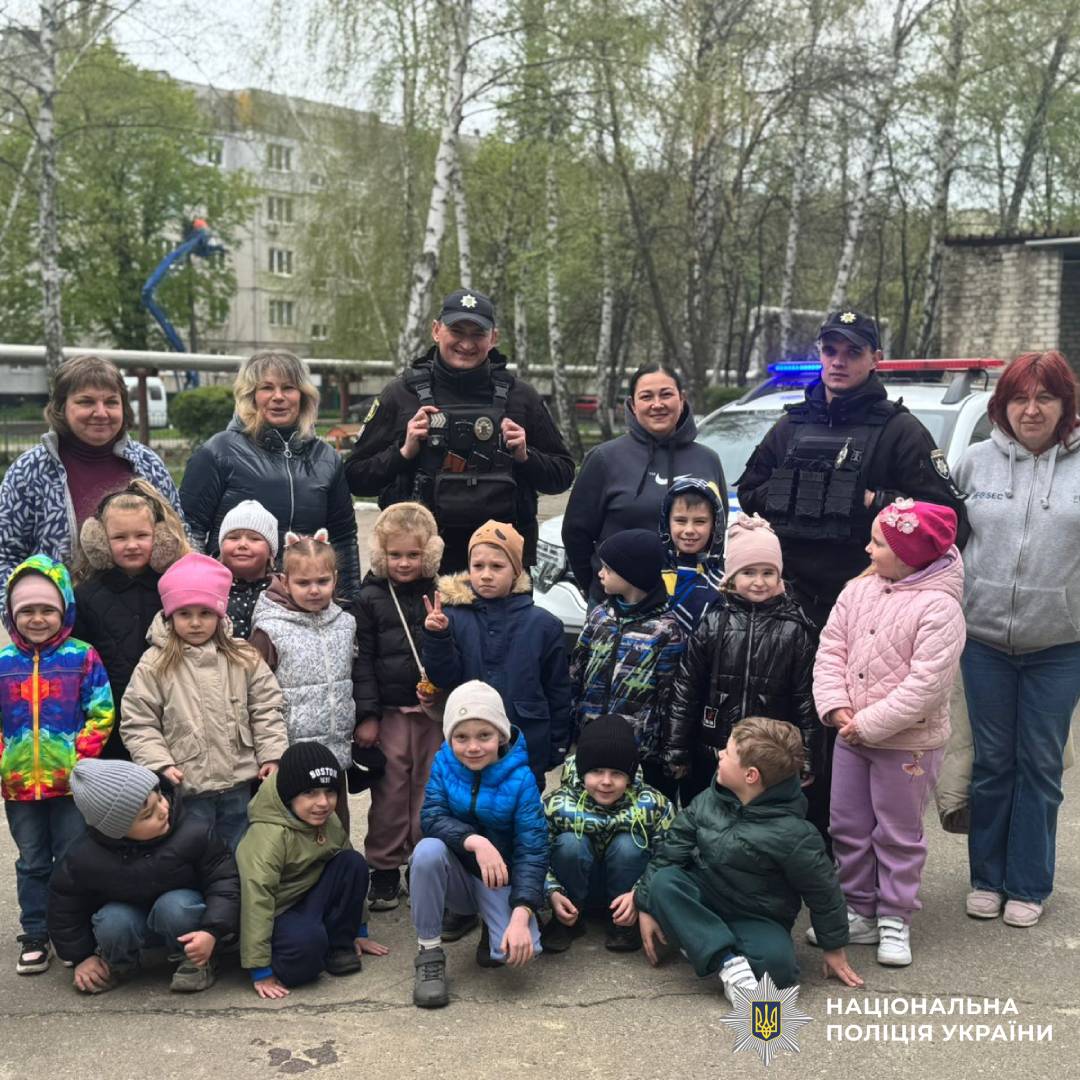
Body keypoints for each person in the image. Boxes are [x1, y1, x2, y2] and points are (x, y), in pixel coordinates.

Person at [735, 309, 968, 839]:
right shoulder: (791, 423)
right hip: (784, 603)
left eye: (853, 351)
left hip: (864, 609)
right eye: (830, 350)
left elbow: (951, 522)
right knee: (782, 731)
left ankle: (844, 865)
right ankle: (777, 845)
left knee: (843, 739)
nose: (839, 362)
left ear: (874, 358)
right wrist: (802, 490)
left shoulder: (901, 431)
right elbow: (749, 489)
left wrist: (870, 501)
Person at [953, 351, 1080, 928]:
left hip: (1059, 645)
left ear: (1064, 405)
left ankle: (1029, 884)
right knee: (994, 763)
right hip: (983, 643)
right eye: (1019, 399)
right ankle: (988, 878)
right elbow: (947, 544)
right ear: (1001, 406)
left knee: (1040, 766)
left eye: (1044, 397)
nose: (1032, 410)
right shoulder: (975, 462)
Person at [812, 500, 964, 966]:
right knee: (848, 826)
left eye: (878, 542)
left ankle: (896, 916)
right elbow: (831, 647)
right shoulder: (859, 590)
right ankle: (858, 909)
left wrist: (869, 724)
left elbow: (926, 684)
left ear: (909, 552)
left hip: (906, 743)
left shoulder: (940, 609)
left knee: (898, 832)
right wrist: (835, 706)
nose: (867, 548)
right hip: (851, 734)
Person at [633, 717, 863, 1005]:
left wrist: (833, 947)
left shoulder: (795, 834)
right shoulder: (708, 800)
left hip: (756, 916)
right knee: (664, 883)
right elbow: (670, 851)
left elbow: (824, 892)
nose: (719, 755)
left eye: (727, 752)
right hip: (703, 897)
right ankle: (727, 962)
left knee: (780, 973)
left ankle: (701, 943)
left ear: (751, 775)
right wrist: (646, 905)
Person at [345, 289, 574, 572]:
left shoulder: (521, 397)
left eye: (477, 334)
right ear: (436, 330)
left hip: (501, 571)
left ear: (494, 338)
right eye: (457, 331)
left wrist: (526, 456)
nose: (466, 343)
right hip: (418, 569)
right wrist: (403, 452)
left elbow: (562, 475)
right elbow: (355, 478)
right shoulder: (401, 394)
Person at [120, 553, 288, 851]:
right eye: (185, 614)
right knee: (195, 853)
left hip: (238, 780)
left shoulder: (243, 656)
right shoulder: (154, 664)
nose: (195, 623)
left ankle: (237, 898)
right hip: (188, 784)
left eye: (205, 613)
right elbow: (139, 722)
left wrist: (272, 753)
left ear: (220, 614)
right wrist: (160, 763)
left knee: (238, 851)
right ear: (171, 615)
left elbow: (266, 708)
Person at [0, 555, 115, 975]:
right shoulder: (4, 663)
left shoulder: (81, 657)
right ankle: (34, 932)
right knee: (31, 860)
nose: (37, 618)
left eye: (47, 609)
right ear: (12, 614)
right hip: (19, 787)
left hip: (69, 783)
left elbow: (101, 711)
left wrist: (81, 757)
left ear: (64, 610)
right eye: (26, 610)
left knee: (72, 857)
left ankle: (75, 929)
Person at [0, 354, 185, 605]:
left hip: (144, 622)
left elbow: (180, 537)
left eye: (111, 402)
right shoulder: (29, 471)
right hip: (56, 629)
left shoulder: (147, 465)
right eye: (86, 402)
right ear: (61, 407)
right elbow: (5, 555)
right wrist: (20, 617)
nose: (100, 412)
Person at [410, 681, 548, 1010]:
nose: (472, 747)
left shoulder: (522, 778)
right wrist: (474, 841)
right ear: (449, 738)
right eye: (461, 737)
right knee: (427, 851)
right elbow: (431, 816)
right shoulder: (444, 764)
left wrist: (522, 913)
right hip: (459, 870)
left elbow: (533, 849)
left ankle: (494, 924)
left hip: (500, 878)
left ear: (500, 736)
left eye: (483, 736)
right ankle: (429, 953)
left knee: (513, 953)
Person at [180, 350, 361, 599]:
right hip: (233, 599)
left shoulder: (326, 458)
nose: (278, 397)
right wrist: (199, 594)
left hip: (307, 602)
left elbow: (343, 538)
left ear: (303, 395)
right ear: (251, 396)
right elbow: (190, 529)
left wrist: (350, 604)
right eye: (267, 388)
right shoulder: (219, 451)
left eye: (288, 388)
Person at [49, 758, 240, 994]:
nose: (163, 811)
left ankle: (195, 960)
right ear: (115, 830)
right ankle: (120, 962)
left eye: (160, 798)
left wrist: (212, 931)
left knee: (175, 905)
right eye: (147, 815)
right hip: (129, 920)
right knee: (112, 920)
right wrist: (81, 957)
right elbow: (64, 907)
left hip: (182, 921)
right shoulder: (84, 856)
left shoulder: (193, 830)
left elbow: (224, 879)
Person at [666, 514, 820, 803]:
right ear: (732, 576)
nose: (759, 582)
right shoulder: (713, 623)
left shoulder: (795, 629)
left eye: (768, 572)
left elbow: (805, 701)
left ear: (779, 575)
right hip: (713, 752)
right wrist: (677, 747)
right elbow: (687, 690)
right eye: (749, 572)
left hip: (770, 757)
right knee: (706, 816)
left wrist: (807, 756)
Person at [422, 520, 570, 790]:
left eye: (497, 567)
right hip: (469, 745)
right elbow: (443, 676)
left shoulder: (544, 625)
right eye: (478, 566)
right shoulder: (452, 617)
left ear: (516, 570)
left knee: (521, 819)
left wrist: (559, 743)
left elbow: (558, 689)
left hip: (524, 743)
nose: (486, 575)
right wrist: (437, 637)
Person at [236, 741, 388, 999]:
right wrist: (260, 969)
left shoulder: (327, 819)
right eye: (311, 793)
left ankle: (340, 944)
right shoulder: (268, 835)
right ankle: (304, 945)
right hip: (280, 911)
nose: (323, 803)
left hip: (313, 897)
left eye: (330, 792)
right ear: (289, 794)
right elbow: (257, 900)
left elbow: (349, 876)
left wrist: (357, 929)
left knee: (352, 862)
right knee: (304, 965)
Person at [563, 363, 725, 605]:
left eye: (666, 394)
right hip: (619, 608)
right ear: (632, 404)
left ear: (682, 399)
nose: (657, 404)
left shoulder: (708, 459)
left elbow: (718, 536)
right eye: (646, 396)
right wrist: (597, 588)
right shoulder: (604, 459)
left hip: (689, 605)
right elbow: (576, 534)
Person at [353, 502, 445, 911]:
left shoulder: (443, 592)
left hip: (432, 714)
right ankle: (385, 868)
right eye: (395, 555)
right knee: (389, 793)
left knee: (429, 790)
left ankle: (423, 863)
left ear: (429, 555)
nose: (404, 563)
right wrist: (367, 715)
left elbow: (450, 655)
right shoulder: (369, 596)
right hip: (389, 711)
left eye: (413, 555)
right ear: (380, 555)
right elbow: (363, 661)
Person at [250, 531, 360, 833]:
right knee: (293, 830)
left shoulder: (345, 624)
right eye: (303, 583)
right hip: (290, 754)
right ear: (285, 582)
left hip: (334, 752)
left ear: (335, 579)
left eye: (322, 582)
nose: (314, 590)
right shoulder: (269, 629)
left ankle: (341, 876)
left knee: (336, 827)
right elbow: (255, 693)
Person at [73, 481, 190, 760]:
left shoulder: (174, 588)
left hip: (169, 715)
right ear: (100, 540)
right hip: (111, 719)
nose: (132, 545)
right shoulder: (86, 596)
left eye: (142, 535)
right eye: (119, 537)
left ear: (160, 536)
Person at [541, 714, 674, 955]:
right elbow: (534, 853)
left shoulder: (654, 804)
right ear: (582, 771)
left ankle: (623, 924)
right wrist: (552, 892)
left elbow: (669, 856)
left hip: (629, 892)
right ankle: (567, 919)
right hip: (574, 889)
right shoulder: (556, 804)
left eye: (617, 773)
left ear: (631, 775)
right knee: (571, 843)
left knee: (628, 845)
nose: (605, 782)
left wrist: (640, 895)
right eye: (596, 771)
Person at [568, 529, 685, 801]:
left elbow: (672, 698)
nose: (599, 573)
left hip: (641, 752)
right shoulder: (599, 617)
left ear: (632, 574)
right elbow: (576, 674)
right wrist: (570, 728)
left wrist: (670, 751)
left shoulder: (666, 630)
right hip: (592, 741)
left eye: (608, 568)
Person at [659, 477, 725, 633]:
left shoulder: (726, 578)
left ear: (715, 525)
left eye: (700, 521)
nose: (689, 530)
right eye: (680, 520)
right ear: (666, 522)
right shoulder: (653, 572)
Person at [216, 500, 279, 639]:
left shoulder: (283, 592)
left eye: (254, 539)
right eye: (233, 537)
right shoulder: (207, 587)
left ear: (271, 552)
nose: (242, 544)